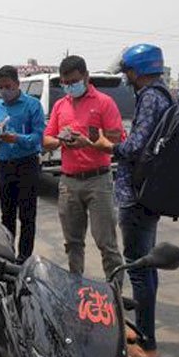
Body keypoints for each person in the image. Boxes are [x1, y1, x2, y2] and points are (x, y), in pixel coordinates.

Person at [93, 44, 173, 357]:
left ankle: (147, 346)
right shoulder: (162, 94)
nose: (125, 76)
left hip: (137, 196)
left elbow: (136, 147)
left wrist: (108, 144)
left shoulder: (151, 97)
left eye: (127, 71)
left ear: (137, 70)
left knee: (138, 269)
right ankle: (141, 332)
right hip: (147, 193)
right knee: (146, 266)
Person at [43, 55, 125, 284]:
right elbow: (46, 139)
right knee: (73, 241)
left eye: (74, 81)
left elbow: (115, 143)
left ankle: (115, 291)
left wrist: (87, 143)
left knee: (106, 242)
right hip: (69, 181)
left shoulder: (104, 103)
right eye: (65, 83)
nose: (70, 87)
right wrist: (61, 140)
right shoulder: (61, 105)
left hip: (98, 180)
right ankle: (75, 285)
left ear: (86, 77)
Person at [0, 65, 46, 264]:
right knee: (7, 214)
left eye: (8, 86)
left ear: (17, 84)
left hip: (27, 164)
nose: (4, 91)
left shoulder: (32, 105)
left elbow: (38, 137)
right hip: (5, 165)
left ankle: (24, 259)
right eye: (1, 87)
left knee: (27, 215)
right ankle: (8, 255)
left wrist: (17, 138)